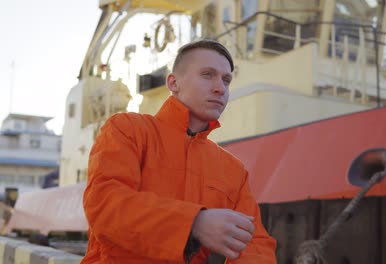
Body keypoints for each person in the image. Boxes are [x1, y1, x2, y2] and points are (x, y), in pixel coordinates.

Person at [82, 39, 277, 264]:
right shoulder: (128, 129)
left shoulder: (233, 169)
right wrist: (194, 223)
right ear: (173, 83)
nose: (220, 88)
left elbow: (254, 243)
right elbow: (105, 204)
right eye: (207, 74)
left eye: (226, 80)